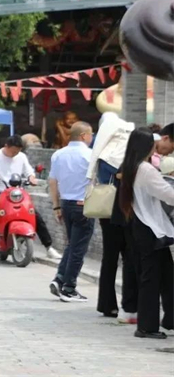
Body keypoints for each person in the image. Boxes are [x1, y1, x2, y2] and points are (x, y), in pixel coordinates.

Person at [118, 127, 174, 339]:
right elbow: (169, 195)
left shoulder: (132, 167)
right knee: (152, 278)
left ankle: (170, 319)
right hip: (150, 228)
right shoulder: (146, 169)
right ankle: (147, 327)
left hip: (141, 226)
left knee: (167, 275)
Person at [0, 135, 62, 264]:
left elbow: (29, 172)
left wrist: (32, 178)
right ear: (6, 146)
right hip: (0, 193)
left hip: (17, 193)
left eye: (17, 151)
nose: (15, 154)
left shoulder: (21, 157)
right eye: (13, 151)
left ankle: (49, 247)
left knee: (35, 216)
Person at [89, 113, 138, 321]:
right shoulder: (129, 152)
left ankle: (107, 305)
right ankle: (130, 304)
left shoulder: (101, 153)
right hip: (126, 210)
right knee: (129, 258)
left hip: (107, 211)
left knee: (109, 258)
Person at [47, 122, 95, 302]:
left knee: (72, 245)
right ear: (83, 135)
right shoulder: (90, 155)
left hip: (66, 204)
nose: (91, 138)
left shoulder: (58, 154)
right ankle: (69, 288)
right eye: (90, 134)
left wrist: (56, 206)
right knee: (78, 249)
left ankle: (60, 278)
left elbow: (53, 182)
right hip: (83, 204)